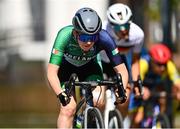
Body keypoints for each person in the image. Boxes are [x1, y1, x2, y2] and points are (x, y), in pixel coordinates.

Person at [47, 7, 129, 128]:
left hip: (90, 67)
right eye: (84, 38)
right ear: (75, 33)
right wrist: (60, 93)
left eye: (93, 38)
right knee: (68, 108)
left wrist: (121, 89)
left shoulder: (104, 37)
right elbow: (51, 72)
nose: (89, 42)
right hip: (66, 70)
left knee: (98, 100)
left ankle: (85, 119)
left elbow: (121, 69)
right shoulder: (64, 35)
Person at [100, 3, 144, 127]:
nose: (124, 30)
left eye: (126, 25)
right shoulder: (102, 30)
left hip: (119, 64)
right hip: (100, 62)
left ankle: (116, 123)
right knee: (99, 100)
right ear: (111, 26)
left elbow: (135, 61)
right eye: (119, 27)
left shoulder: (137, 34)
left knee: (125, 99)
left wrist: (136, 83)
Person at [136, 43, 180, 127]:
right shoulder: (143, 63)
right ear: (152, 60)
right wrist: (142, 89)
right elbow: (137, 80)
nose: (162, 68)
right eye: (159, 64)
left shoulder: (169, 65)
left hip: (155, 87)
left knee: (163, 96)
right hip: (141, 87)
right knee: (138, 118)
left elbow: (177, 81)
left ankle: (159, 120)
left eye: (164, 64)